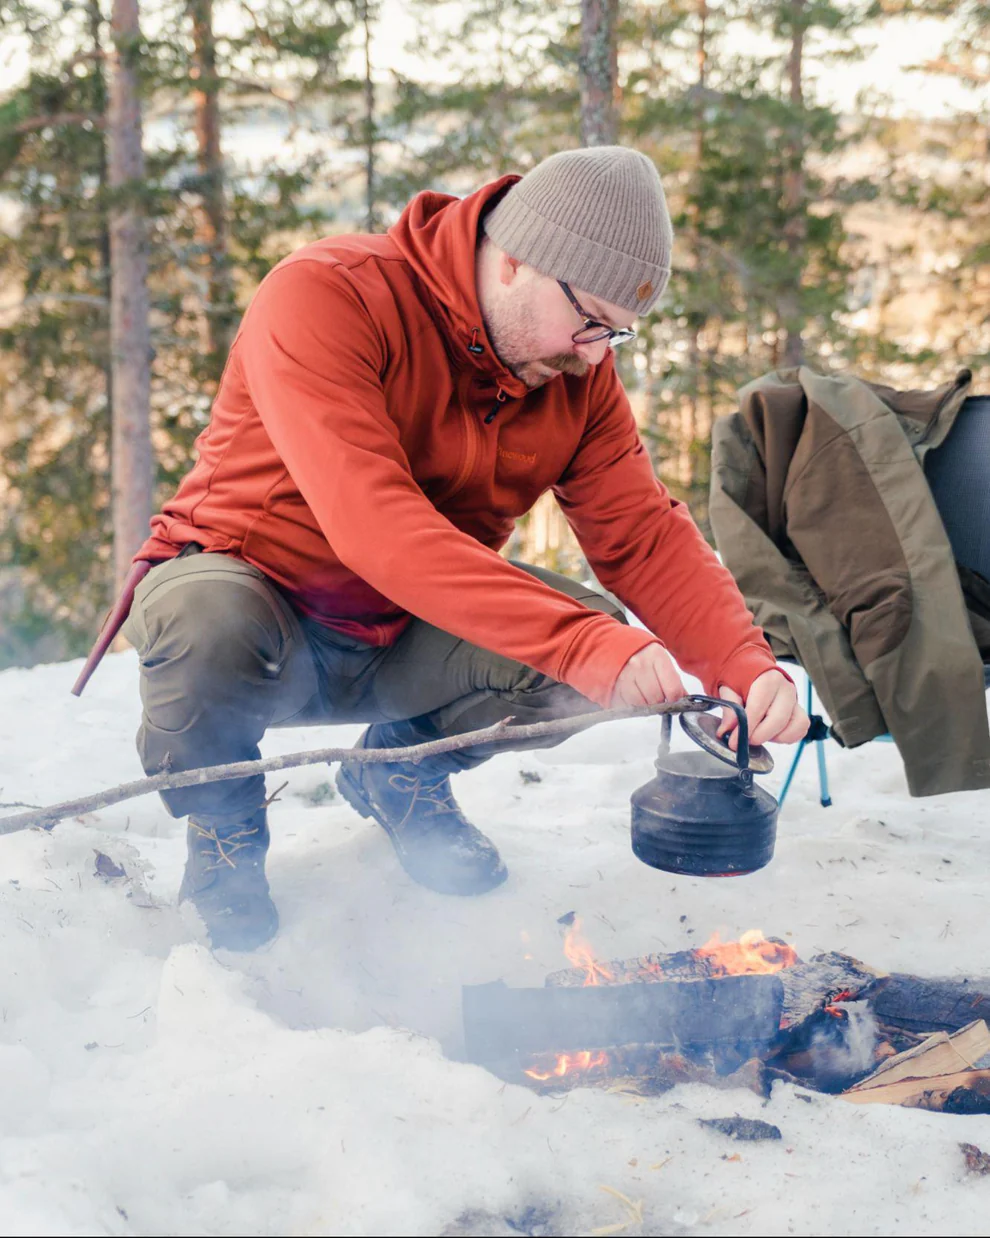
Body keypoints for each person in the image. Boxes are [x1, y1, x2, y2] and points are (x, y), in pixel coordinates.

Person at [122, 145, 808, 951]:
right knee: (205, 615)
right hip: (258, 621)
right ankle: (224, 829)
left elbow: (644, 534)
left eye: (617, 336)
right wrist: (585, 644)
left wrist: (742, 663)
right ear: (514, 260)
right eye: (589, 322)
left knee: (583, 637)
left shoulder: (574, 374)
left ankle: (400, 772)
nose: (594, 355)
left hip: (400, 634)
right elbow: (374, 522)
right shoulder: (328, 296)